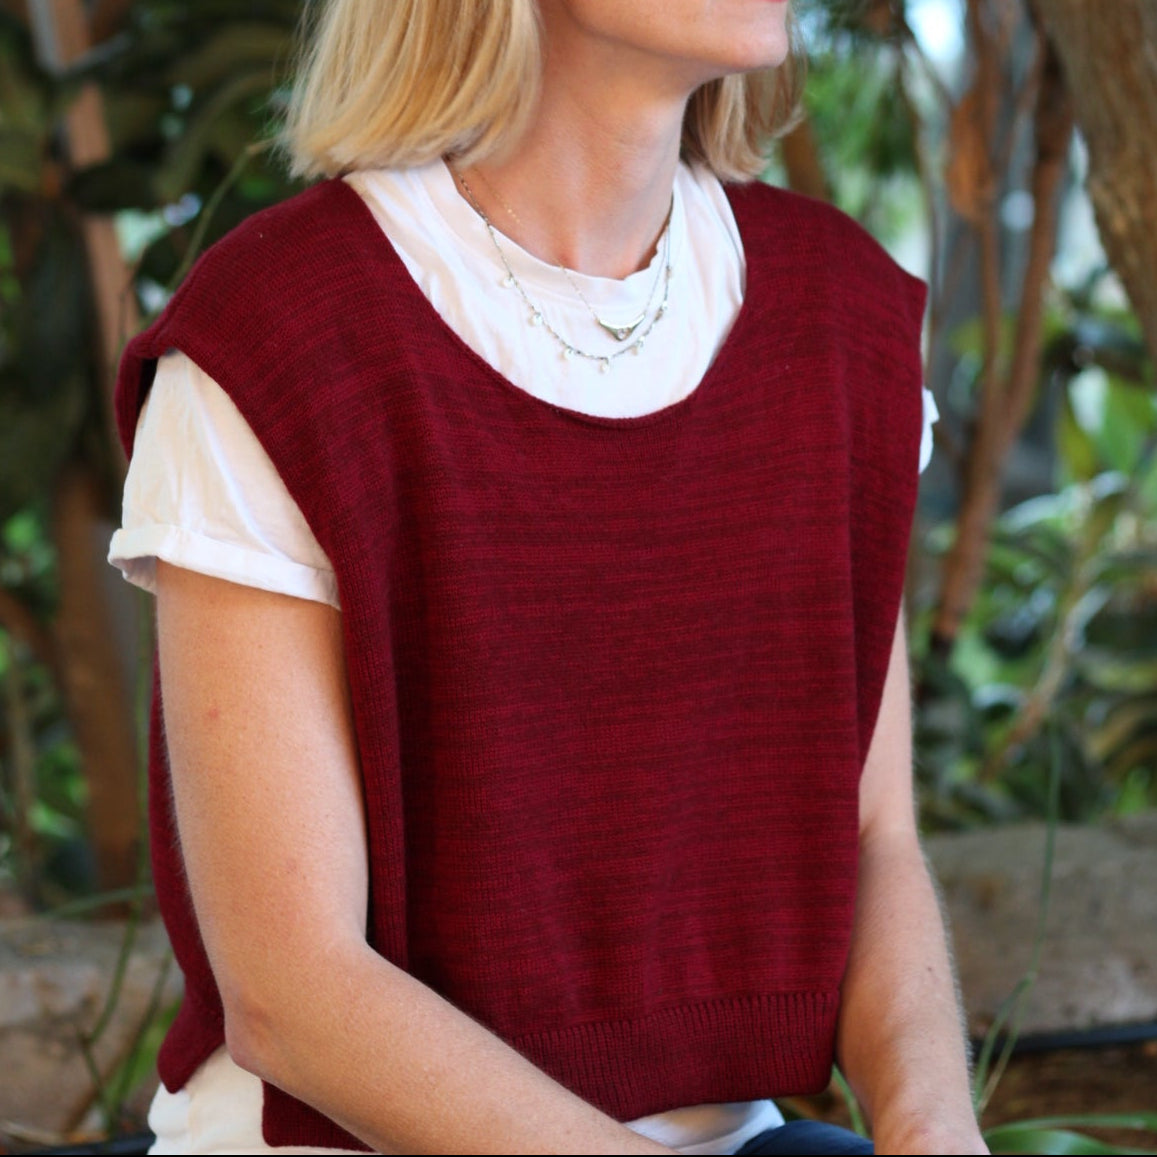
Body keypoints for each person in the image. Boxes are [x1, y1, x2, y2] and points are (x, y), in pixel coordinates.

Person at [108, 1, 989, 1153]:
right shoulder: (277, 338)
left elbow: (873, 835)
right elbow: (293, 993)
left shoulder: (838, 318)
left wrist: (932, 1132)